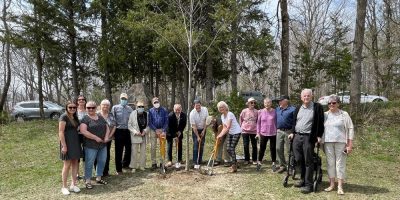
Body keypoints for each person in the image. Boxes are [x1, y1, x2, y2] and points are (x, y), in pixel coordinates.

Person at [288, 89, 324, 194]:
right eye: (304, 96)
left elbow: (320, 122)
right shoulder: (298, 108)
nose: (306, 97)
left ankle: (309, 184)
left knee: (308, 160)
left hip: (309, 137)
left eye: (308, 96)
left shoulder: (317, 107)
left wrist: (319, 136)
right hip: (297, 136)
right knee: (298, 158)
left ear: (312, 96)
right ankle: (302, 179)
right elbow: (294, 121)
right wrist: (292, 132)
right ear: (301, 97)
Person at [322, 95, 354, 195]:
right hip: (327, 142)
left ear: (338, 103)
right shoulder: (324, 115)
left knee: (340, 164)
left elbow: (350, 128)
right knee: (330, 163)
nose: (331, 104)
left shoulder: (344, 114)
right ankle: (332, 184)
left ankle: (340, 186)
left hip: (341, 143)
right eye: (329, 103)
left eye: (334, 103)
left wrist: (350, 144)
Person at [80, 101, 110, 189]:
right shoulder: (85, 119)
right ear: (86, 109)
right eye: (88, 108)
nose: (91, 109)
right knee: (89, 162)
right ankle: (88, 180)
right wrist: (95, 138)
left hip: (102, 144)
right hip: (90, 145)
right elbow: (83, 131)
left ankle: (99, 177)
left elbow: (107, 127)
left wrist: (106, 137)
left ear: (96, 108)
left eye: (92, 107)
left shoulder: (100, 117)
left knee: (102, 161)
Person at [58, 100, 81, 195]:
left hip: (75, 142)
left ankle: (73, 184)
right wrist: (64, 146)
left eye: (74, 107)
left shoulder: (75, 117)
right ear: (66, 108)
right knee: (67, 165)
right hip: (67, 143)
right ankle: (64, 187)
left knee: (75, 163)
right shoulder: (64, 117)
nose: (72, 109)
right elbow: (60, 132)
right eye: (70, 107)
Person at [216, 101, 242, 173]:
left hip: (236, 132)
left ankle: (234, 166)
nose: (221, 108)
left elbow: (228, 127)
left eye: (222, 107)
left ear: (225, 107)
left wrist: (220, 135)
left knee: (231, 148)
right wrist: (219, 135)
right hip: (230, 133)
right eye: (219, 108)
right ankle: (235, 162)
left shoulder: (230, 114)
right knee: (228, 149)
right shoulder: (222, 116)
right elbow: (224, 127)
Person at [111, 93, 133, 174]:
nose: (124, 100)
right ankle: (118, 169)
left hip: (127, 131)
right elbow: (112, 120)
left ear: (127, 100)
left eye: (125, 99)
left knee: (128, 149)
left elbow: (132, 120)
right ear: (120, 99)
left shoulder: (130, 109)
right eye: (122, 98)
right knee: (118, 151)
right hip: (118, 131)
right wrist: (112, 133)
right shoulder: (115, 108)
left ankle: (125, 164)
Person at [275, 95, 296, 173]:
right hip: (279, 131)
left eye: (281, 100)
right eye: (279, 100)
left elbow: (295, 122)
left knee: (289, 150)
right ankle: (282, 165)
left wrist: (293, 132)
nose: (279, 102)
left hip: (289, 131)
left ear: (286, 101)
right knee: (278, 148)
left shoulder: (293, 109)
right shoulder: (277, 109)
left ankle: (291, 167)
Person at [256, 98, 278, 171]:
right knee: (262, 148)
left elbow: (277, 122)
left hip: (273, 133)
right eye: (265, 103)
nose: (267, 104)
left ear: (271, 103)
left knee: (273, 148)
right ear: (263, 103)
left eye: (268, 103)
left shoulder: (275, 111)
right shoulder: (260, 112)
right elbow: (258, 123)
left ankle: (274, 163)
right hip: (263, 133)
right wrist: (258, 133)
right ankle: (259, 162)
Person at [97, 99, 116, 177]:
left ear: (109, 106)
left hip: (108, 138)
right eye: (104, 104)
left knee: (106, 155)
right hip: (98, 139)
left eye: (107, 105)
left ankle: (106, 171)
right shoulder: (97, 114)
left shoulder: (111, 114)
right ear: (100, 105)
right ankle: (98, 172)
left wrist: (109, 136)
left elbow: (114, 126)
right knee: (98, 155)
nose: (105, 106)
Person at [148, 97, 169, 169]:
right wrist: (155, 129)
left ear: (159, 102)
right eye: (154, 102)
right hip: (153, 130)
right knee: (153, 147)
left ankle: (162, 163)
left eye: (157, 102)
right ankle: (153, 163)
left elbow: (166, 121)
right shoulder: (150, 111)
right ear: (152, 103)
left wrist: (163, 130)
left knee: (162, 146)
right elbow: (149, 122)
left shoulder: (164, 110)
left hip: (162, 130)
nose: (156, 103)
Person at [128, 101, 149, 172]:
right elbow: (129, 125)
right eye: (139, 106)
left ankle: (142, 166)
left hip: (144, 135)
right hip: (136, 135)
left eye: (142, 107)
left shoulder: (147, 114)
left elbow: (149, 125)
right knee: (134, 151)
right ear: (136, 107)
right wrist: (136, 132)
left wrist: (145, 131)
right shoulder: (132, 114)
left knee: (143, 151)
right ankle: (133, 166)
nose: (141, 108)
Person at [189, 99, 209, 169]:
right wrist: (197, 136)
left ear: (201, 105)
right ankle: (195, 161)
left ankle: (199, 160)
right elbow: (194, 126)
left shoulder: (205, 109)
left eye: (199, 106)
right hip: (196, 130)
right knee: (196, 145)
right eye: (196, 107)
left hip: (203, 128)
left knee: (202, 144)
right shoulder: (192, 113)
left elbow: (207, 120)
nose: (198, 108)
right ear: (193, 106)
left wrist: (204, 130)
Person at [240, 97, 258, 165]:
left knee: (254, 146)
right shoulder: (244, 111)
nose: (253, 104)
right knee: (245, 145)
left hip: (254, 131)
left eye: (254, 102)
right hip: (245, 131)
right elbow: (241, 119)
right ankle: (246, 159)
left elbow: (258, 121)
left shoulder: (257, 111)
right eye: (251, 102)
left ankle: (254, 159)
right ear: (248, 103)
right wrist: (241, 127)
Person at [75, 95, 87, 181]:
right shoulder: (74, 111)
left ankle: (86, 173)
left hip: (86, 135)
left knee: (86, 154)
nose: (81, 101)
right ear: (77, 101)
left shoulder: (88, 110)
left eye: (83, 99)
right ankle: (77, 173)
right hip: (76, 135)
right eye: (79, 100)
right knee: (77, 154)